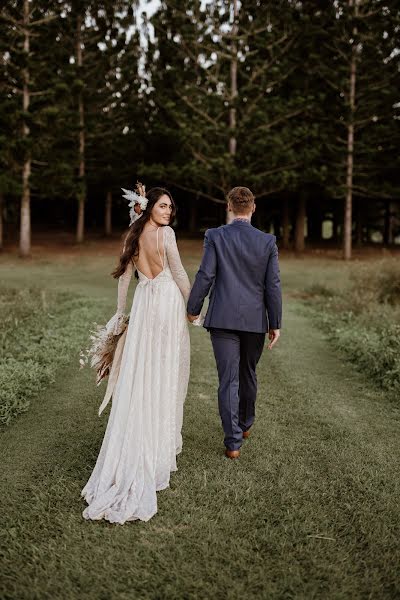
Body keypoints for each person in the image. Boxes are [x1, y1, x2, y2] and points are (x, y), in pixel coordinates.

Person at [81, 184, 191, 523]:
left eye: (170, 207)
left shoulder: (133, 235)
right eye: (162, 205)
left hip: (144, 304)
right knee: (164, 371)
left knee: (144, 371)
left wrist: (120, 314)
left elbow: (125, 279)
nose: (168, 211)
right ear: (148, 207)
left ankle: (143, 441)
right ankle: (154, 450)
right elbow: (179, 272)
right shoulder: (166, 235)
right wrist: (194, 308)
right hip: (166, 302)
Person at [187, 186, 282, 459]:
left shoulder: (215, 236)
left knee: (228, 380)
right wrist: (275, 322)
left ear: (229, 207)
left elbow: (205, 274)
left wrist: (193, 309)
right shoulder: (267, 241)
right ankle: (245, 424)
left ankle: (233, 443)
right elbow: (273, 285)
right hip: (255, 321)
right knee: (248, 373)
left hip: (223, 319)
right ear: (253, 208)